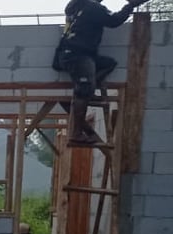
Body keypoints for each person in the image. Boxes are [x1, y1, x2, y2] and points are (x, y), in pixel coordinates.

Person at [55, 0, 147, 144]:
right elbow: (114, 21)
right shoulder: (93, 8)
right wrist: (130, 6)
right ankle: (76, 134)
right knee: (83, 89)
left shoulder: (77, 6)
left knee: (108, 64)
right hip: (78, 55)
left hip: (71, 53)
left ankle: (89, 90)